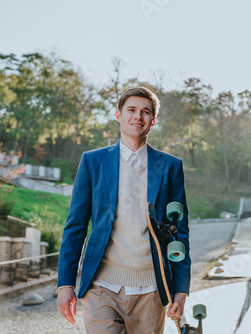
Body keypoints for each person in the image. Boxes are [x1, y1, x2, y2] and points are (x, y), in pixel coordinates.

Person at [56, 87, 191, 333]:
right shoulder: (92, 162)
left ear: (153, 120)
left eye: (145, 112)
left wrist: (181, 290)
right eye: (131, 110)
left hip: (151, 290)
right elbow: (75, 227)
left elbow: (179, 233)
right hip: (100, 287)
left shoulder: (171, 167)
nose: (138, 116)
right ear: (118, 115)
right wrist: (65, 284)